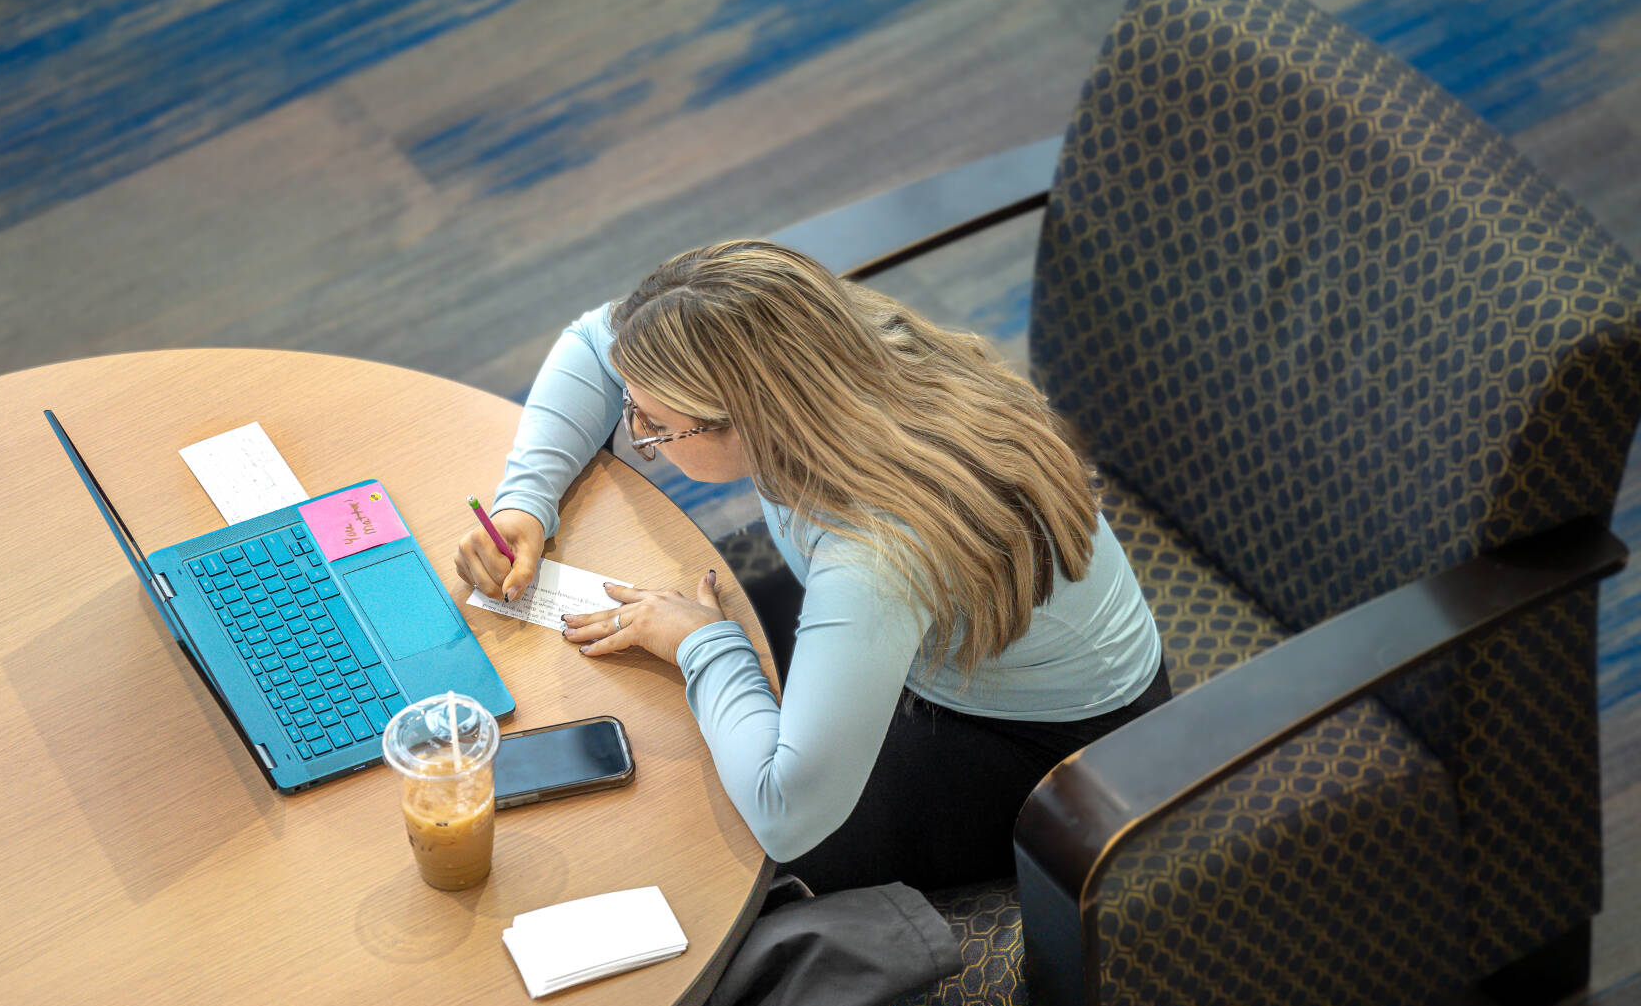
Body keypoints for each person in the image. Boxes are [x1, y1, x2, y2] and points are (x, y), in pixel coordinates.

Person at [455, 240, 1168, 894]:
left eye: (653, 425)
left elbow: (787, 811)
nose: (636, 432)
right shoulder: (816, 346)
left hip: (1052, 753)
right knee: (663, 705)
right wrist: (526, 503)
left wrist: (702, 642)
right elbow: (592, 344)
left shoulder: (873, 552)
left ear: (742, 418)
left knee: (718, 857)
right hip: (945, 636)